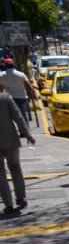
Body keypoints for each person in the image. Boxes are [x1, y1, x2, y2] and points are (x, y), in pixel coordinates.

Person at [0, 84, 34, 213]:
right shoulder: (6, 97)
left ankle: (8, 204)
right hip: (10, 140)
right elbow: (18, 117)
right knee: (15, 167)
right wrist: (28, 135)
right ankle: (20, 197)